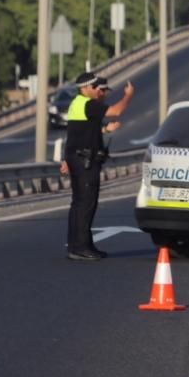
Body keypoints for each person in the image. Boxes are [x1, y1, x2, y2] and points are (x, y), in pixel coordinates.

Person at [60, 72, 135, 261]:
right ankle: (80, 247)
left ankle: (80, 244)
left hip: (79, 157)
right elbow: (116, 111)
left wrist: (104, 130)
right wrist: (128, 95)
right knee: (85, 204)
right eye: (96, 88)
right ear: (85, 88)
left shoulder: (80, 105)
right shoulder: (86, 103)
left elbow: (79, 132)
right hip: (84, 160)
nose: (99, 92)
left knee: (80, 203)